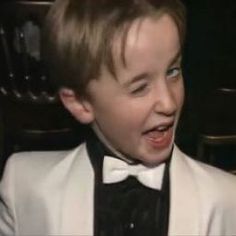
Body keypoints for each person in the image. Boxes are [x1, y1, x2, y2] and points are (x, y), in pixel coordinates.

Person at [0, 0, 236, 235]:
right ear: (81, 103)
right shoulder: (24, 190)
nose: (169, 103)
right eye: (140, 88)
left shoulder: (225, 200)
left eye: (173, 71)